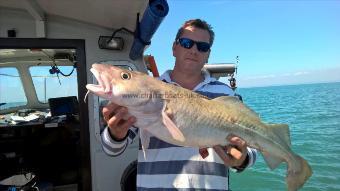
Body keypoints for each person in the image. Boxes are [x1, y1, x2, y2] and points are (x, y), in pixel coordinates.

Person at [101, 19, 257, 190]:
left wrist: (242, 159)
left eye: (202, 47)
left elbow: (252, 148)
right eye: (186, 43)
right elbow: (111, 149)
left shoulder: (226, 93)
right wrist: (115, 133)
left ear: (208, 54)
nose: (194, 50)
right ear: (174, 48)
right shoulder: (145, 89)